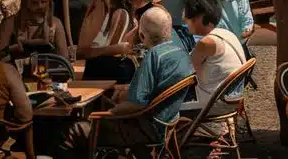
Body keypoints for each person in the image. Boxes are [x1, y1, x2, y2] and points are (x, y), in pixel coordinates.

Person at [61, 8, 194, 157]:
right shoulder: (180, 53)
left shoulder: (153, 56)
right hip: (164, 125)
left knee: (70, 131)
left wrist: (108, 113)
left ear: (142, 35)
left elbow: (136, 104)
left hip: (141, 129)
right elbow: (155, 89)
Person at [183, 0, 246, 107]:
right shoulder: (226, 33)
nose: (186, 21)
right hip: (232, 96)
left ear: (200, 18)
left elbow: (185, 69)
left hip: (213, 102)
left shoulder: (206, 43)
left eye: (189, 18)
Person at [78, 0, 136, 83]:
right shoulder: (118, 13)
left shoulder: (119, 13)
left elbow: (112, 47)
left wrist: (91, 51)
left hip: (107, 70)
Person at [0, 0, 68, 58]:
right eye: (34, 3)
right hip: (16, 69)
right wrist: (13, 48)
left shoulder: (55, 23)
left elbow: (65, 58)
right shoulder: (10, 23)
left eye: (43, 2)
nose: (40, 6)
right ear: (25, 1)